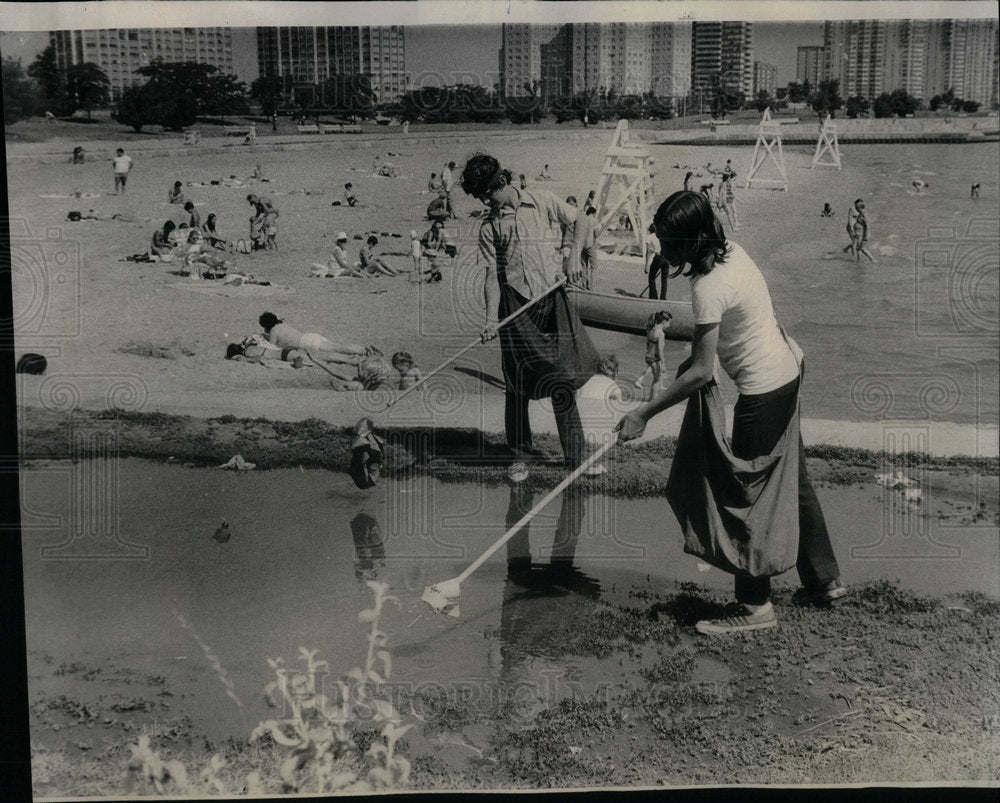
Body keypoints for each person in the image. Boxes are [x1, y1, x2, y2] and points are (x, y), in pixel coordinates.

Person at [615, 190, 846, 635]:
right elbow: (719, 345)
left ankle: (755, 607)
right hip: (788, 367)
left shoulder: (707, 286)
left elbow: (703, 372)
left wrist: (644, 413)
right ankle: (824, 581)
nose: (662, 251)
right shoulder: (734, 252)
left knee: (746, 496)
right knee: (792, 480)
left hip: (763, 390)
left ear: (689, 242)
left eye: (667, 243)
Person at [460, 151, 600, 471]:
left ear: (504, 182)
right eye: (481, 198)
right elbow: (490, 277)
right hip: (514, 304)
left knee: (562, 377)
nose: (487, 202)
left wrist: (574, 255)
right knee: (517, 382)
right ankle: (520, 455)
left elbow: (582, 219)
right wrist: (488, 320)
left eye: (488, 194)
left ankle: (576, 459)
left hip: (551, 298)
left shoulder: (542, 201)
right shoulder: (488, 226)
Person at [258, 311, 368, 364]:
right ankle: (364, 350)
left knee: (336, 351)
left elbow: (271, 347)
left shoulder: (274, 330)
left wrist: (265, 336)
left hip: (306, 343)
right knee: (339, 346)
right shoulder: (282, 324)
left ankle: (363, 354)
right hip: (310, 337)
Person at [644, 310, 672, 394]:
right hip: (655, 358)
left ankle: (651, 399)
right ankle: (652, 400)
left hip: (648, 356)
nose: (669, 325)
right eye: (668, 323)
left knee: (655, 380)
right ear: (664, 321)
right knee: (656, 381)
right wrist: (663, 364)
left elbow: (647, 344)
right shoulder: (661, 334)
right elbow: (660, 350)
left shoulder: (651, 330)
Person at [843, 198, 875, 263]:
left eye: (856, 208)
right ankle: (858, 262)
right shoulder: (861, 214)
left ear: (860, 208)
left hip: (862, 235)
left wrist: (865, 238)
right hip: (859, 234)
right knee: (858, 249)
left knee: (861, 248)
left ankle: (872, 260)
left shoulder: (864, 216)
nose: (856, 209)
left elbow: (867, 227)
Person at [576, 206, 599, 291]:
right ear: (593, 213)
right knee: (594, 266)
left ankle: (583, 285)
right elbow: (596, 234)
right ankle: (592, 287)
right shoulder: (594, 220)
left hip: (582, 245)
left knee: (583, 265)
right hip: (590, 244)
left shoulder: (583, 219)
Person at [645, 223, 668, 300]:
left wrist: (646, 266)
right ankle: (663, 298)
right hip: (666, 258)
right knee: (664, 279)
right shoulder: (662, 236)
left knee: (651, 277)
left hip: (658, 258)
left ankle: (653, 297)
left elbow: (648, 251)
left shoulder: (649, 237)